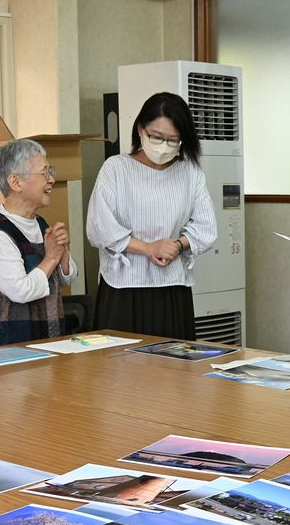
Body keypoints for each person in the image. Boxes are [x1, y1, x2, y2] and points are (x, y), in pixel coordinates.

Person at [87, 92, 217, 340]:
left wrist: (177, 245)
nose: (164, 146)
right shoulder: (116, 168)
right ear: (140, 130)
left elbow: (206, 228)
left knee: (173, 370)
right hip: (123, 289)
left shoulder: (190, 173)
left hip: (171, 289)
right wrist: (148, 248)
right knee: (120, 369)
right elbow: (99, 228)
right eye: (157, 137)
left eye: (173, 140)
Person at [0, 138, 77, 348]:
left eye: (51, 172)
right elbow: (21, 291)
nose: (52, 180)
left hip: (46, 339)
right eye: (44, 173)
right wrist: (51, 257)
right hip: (5, 350)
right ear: (16, 182)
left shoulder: (39, 223)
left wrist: (62, 254)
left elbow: (67, 279)